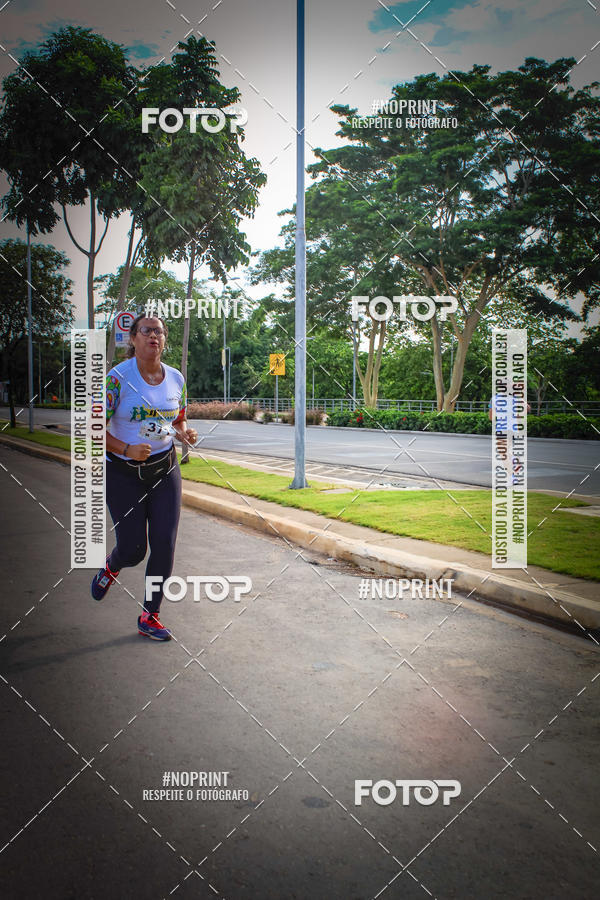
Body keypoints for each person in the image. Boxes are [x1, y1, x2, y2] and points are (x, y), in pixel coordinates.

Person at [91, 314, 198, 641]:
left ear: (164, 340)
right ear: (133, 339)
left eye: (159, 332)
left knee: (164, 543)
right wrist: (125, 447)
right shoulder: (117, 379)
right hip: (123, 473)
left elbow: (176, 421)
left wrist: (184, 435)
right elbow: (91, 428)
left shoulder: (176, 379)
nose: (154, 336)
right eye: (146, 331)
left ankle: (150, 615)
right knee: (134, 549)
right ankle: (112, 565)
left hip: (165, 468)